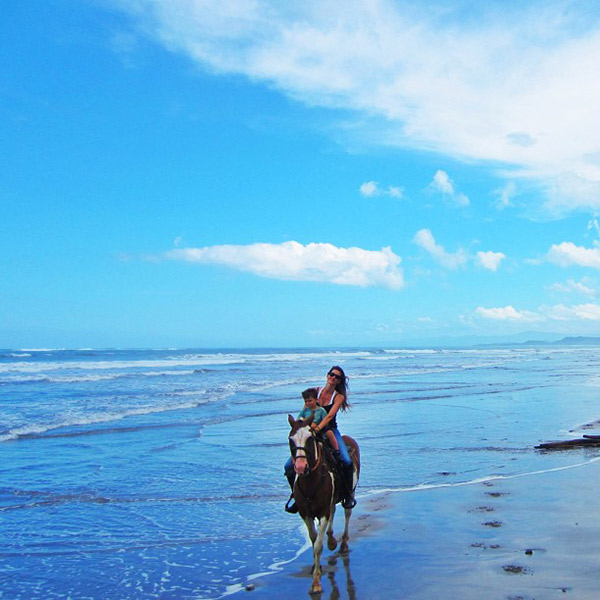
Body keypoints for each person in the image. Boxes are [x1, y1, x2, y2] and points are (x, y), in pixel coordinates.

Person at [284, 367, 356, 512]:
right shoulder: (315, 391)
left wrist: (318, 428)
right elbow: (305, 410)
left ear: (339, 381)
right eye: (331, 374)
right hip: (310, 431)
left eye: (337, 377)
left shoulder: (338, 396)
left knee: (346, 461)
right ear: (327, 375)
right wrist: (302, 426)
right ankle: (296, 496)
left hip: (329, 430)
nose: (333, 378)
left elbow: (329, 416)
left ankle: (347, 495)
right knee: (288, 466)